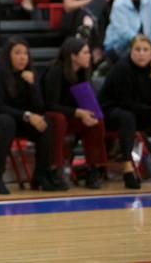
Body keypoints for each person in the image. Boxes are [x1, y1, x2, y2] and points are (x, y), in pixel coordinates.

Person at [0, 38, 63, 194]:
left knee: (45, 123)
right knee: (6, 122)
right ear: (8, 55)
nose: (23, 57)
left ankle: (40, 175)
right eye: (17, 53)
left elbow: (39, 108)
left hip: (11, 121)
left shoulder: (27, 74)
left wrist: (32, 87)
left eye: (25, 53)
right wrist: (27, 115)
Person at [98, 35, 151, 190]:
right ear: (131, 51)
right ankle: (128, 170)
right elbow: (125, 103)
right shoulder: (122, 68)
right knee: (127, 117)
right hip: (110, 112)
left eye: (145, 50)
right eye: (137, 49)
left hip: (139, 112)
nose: (141, 53)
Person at [40, 37, 106, 189]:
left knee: (97, 121)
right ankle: (56, 169)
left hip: (71, 116)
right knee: (60, 119)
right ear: (73, 56)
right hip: (51, 117)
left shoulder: (83, 71)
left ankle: (93, 169)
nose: (89, 55)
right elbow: (50, 104)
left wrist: (90, 114)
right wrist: (79, 112)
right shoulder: (55, 71)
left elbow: (86, 102)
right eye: (85, 52)